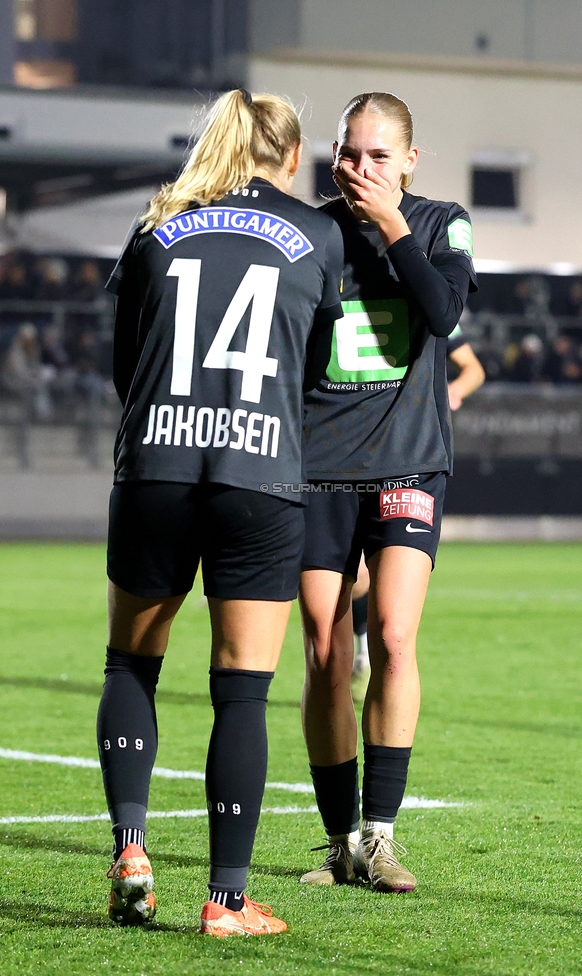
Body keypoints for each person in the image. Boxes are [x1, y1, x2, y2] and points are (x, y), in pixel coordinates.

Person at [95, 88, 343, 937]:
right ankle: (227, 901)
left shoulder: (156, 226)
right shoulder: (317, 232)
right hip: (258, 474)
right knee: (242, 692)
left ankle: (131, 850)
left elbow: (123, 365)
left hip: (155, 469)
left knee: (130, 666)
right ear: (291, 154)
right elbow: (314, 373)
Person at [299, 92, 477, 893]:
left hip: (408, 459)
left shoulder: (442, 222)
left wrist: (394, 225)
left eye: (377, 155)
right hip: (315, 464)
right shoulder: (308, 232)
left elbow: (442, 313)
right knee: (328, 654)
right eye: (348, 153)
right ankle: (339, 842)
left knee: (396, 641)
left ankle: (380, 836)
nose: (359, 169)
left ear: (410, 159)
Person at [350, 321, 485, 702]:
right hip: (348, 444)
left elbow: (473, 368)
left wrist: (453, 391)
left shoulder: (430, 300)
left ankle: (361, 650)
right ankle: (356, 645)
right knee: (350, 579)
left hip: (408, 449)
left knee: (381, 599)